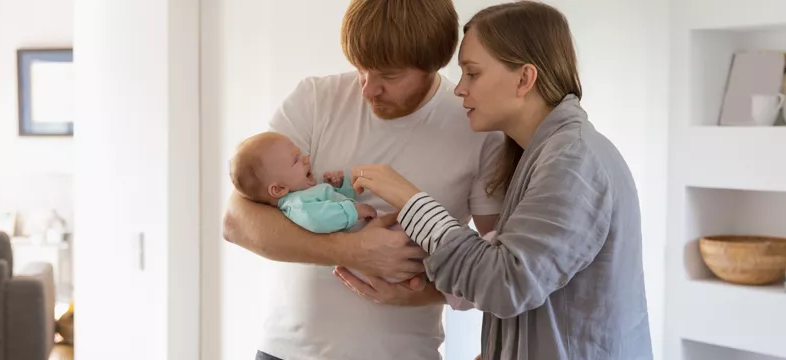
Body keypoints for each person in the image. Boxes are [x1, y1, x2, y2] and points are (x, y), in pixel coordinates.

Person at [337, 2, 654, 360]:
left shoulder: (571, 161)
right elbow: (529, 280)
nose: (459, 89)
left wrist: (412, 202)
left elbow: (507, 284)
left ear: (524, 79)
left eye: (472, 73)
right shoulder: (547, 153)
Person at [222, 0, 504, 358]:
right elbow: (237, 221)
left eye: (389, 76)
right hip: (285, 351)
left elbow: (500, 267)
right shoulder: (314, 100)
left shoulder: (477, 129)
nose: (368, 89)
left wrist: (417, 294)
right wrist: (353, 251)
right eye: (360, 69)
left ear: (433, 63)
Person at [228, 131, 378, 233]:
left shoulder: (305, 194)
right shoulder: (297, 205)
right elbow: (319, 220)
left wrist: (338, 187)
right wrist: (354, 211)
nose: (306, 158)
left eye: (300, 153)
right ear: (279, 189)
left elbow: (339, 203)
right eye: (296, 160)